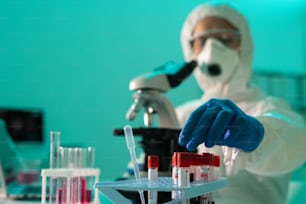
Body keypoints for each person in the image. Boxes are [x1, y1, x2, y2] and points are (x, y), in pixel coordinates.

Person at [176, 2, 306, 204]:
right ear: (190, 50)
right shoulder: (181, 115)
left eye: (226, 39)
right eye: (202, 40)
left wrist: (257, 135)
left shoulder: (270, 107)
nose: (213, 48)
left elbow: (295, 143)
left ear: (244, 47)